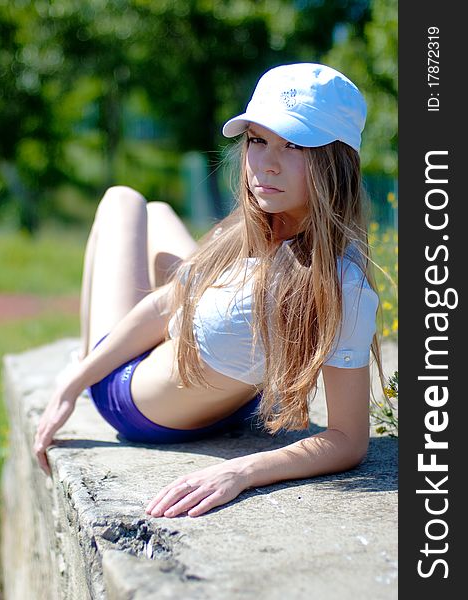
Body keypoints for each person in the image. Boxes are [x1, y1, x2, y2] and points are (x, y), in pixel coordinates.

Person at [34, 62, 388, 519]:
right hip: (218, 393)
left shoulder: (344, 286)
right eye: (257, 141)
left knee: (122, 200)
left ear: (335, 162)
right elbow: (167, 302)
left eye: (294, 145)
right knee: (158, 210)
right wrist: (71, 382)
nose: (266, 163)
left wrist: (241, 472)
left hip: (130, 399)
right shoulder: (262, 227)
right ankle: (82, 360)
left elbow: (347, 439)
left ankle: (87, 358)